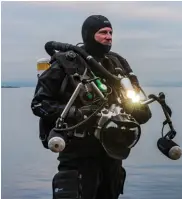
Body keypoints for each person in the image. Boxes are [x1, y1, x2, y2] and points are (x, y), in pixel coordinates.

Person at [31, 15, 152, 199]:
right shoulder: (66, 64)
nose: (109, 37)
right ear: (88, 35)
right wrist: (77, 113)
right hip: (77, 155)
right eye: (103, 32)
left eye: (111, 32)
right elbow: (39, 104)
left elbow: (138, 102)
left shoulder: (117, 64)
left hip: (112, 152)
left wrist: (139, 109)